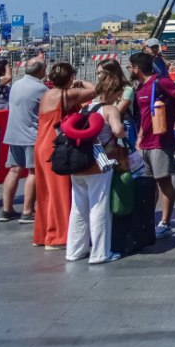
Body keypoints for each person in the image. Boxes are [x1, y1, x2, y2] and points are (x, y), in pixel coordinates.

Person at [65, 67, 127, 264]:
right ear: (114, 92)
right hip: (100, 163)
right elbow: (117, 131)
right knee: (99, 206)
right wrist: (123, 131)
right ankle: (100, 253)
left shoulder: (85, 108)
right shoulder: (110, 109)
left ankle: (74, 250)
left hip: (78, 162)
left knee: (78, 208)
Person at [34, 62, 97, 248]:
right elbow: (96, 90)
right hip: (56, 147)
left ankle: (44, 233)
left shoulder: (47, 94)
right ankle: (58, 236)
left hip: (41, 143)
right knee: (60, 191)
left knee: (46, 192)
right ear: (70, 78)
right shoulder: (67, 95)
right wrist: (81, 82)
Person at [129, 51, 175, 238]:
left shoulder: (161, 82)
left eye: (130, 67)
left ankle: (166, 222)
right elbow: (145, 117)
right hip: (145, 143)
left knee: (163, 181)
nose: (129, 70)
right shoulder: (140, 88)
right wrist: (139, 138)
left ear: (136, 68)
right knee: (148, 184)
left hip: (161, 142)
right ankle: (149, 220)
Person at [0, 57, 48, 222]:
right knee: (33, 172)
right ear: (40, 70)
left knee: (14, 170)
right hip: (31, 135)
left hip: (14, 134)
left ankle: (7, 210)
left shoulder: (16, 85)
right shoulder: (41, 88)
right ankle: (27, 211)